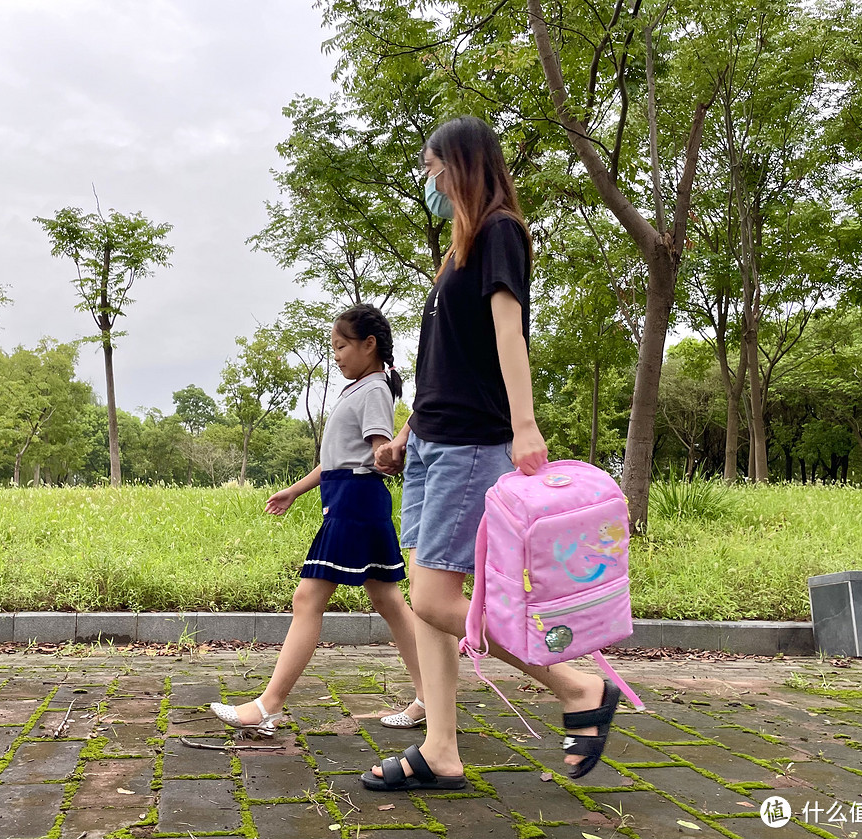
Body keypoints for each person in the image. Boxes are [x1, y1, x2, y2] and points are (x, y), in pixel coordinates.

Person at [361, 116, 621, 792]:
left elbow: (510, 332)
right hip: (434, 442)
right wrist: (404, 437)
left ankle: (576, 685)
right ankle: (440, 747)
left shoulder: (500, 231)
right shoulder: (457, 252)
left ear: (462, 163)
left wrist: (525, 424)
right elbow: (440, 363)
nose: (428, 180)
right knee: (431, 600)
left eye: (431, 165)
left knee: (436, 598)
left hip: (475, 443)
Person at [211, 304, 426, 736]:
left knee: (308, 598)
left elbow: (378, 456)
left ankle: (269, 705)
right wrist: (295, 490)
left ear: (370, 345)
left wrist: (394, 453)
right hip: (349, 496)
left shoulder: (374, 391)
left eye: (342, 346)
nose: (336, 355)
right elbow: (339, 461)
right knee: (388, 601)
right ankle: (430, 697)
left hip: (356, 501)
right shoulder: (359, 388)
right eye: (333, 347)